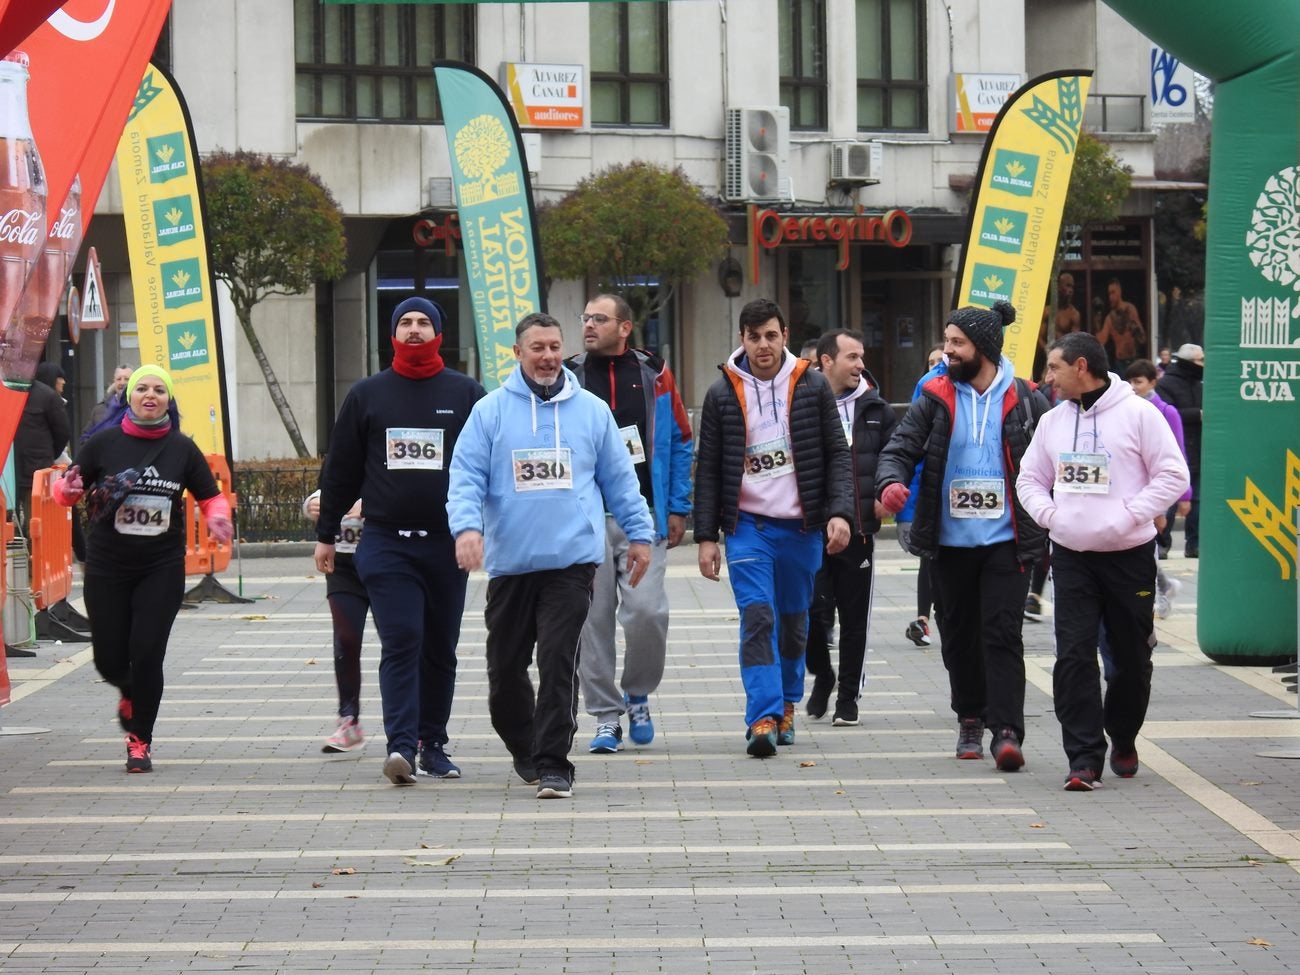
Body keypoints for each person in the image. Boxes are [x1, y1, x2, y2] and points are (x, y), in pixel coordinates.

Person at [447, 312, 653, 800]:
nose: (548, 356)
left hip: (572, 561)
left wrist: (640, 535)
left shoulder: (591, 411)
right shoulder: (491, 411)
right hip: (512, 563)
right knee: (504, 674)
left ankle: (555, 763)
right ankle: (527, 747)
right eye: (537, 348)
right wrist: (467, 529)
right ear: (518, 353)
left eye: (555, 347)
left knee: (559, 660)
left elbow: (620, 481)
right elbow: (465, 477)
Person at [314, 296, 485, 786]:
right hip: (386, 542)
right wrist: (327, 535)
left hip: (446, 543)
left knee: (441, 647)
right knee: (402, 638)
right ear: (392, 333)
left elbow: (485, 465)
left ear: (438, 334)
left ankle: (434, 744)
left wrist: (480, 529)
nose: (414, 329)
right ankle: (401, 747)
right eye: (405, 322)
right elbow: (341, 471)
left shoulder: (466, 392)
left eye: (423, 322)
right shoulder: (368, 395)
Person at [877, 301, 1049, 773]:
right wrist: (890, 483)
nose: (948, 351)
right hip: (949, 543)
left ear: (985, 348)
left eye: (957, 343)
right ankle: (970, 717)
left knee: (1002, 633)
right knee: (958, 637)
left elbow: (1054, 457)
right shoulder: (934, 395)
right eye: (947, 341)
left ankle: (1008, 730)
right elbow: (900, 447)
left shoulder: (1027, 397)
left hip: (1007, 540)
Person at [1016, 333, 1189, 791]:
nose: (1046, 378)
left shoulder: (1138, 414)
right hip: (1072, 557)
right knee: (1072, 656)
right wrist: (1051, 517)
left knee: (1131, 660)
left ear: (1080, 366)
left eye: (1053, 368)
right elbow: (1029, 479)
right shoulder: (1053, 421)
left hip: (1129, 557)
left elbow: (1174, 475)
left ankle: (1124, 734)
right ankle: (1084, 758)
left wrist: (1130, 515)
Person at [50, 365, 233, 772]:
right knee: (109, 660)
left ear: (169, 400)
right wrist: (68, 489)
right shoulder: (103, 443)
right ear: (128, 397)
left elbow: (209, 496)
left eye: (159, 390)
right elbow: (65, 491)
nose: (150, 396)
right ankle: (129, 689)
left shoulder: (182, 448)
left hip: (160, 566)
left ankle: (140, 740)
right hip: (107, 566)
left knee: (148, 653)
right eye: (142, 389)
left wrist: (218, 517)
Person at [693, 298, 854, 757]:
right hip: (748, 528)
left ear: (784, 335)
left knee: (793, 622)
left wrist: (839, 512)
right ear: (741, 340)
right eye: (753, 336)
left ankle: (786, 703)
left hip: (801, 528)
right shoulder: (722, 392)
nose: (762, 345)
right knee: (757, 615)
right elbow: (709, 471)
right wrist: (707, 537)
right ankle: (761, 716)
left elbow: (837, 455)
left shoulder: (812, 386)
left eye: (770, 335)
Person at [566, 293, 693, 753]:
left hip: (644, 517)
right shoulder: (570, 376)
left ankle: (637, 692)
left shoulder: (655, 375)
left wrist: (677, 506)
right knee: (591, 619)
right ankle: (605, 716)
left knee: (646, 612)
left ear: (625, 327)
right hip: (584, 519)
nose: (588, 326)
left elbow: (680, 440)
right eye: (585, 318)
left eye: (599, 319)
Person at [803, 329, 896, 725]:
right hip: (811, 529)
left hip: (858, 530)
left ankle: (847, 697)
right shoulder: (802, 403)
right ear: (827, 361)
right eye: (852, 357)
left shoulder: (876, 409)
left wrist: (885, 489)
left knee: (854, 619)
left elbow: (895, 456)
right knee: (808, 613)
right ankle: (822, 674)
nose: (861, 365)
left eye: (861, 357)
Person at [1125, 359, 1192, 617]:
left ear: (1153, 382)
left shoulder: (1167, 412)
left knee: (1148, 544)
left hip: (1160, 491)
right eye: (1130, 381)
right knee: (1145, 545)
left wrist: (1184, 496)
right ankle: (1164, 587)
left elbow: (1179, 455)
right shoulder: (1127, 410)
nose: (1134, 386)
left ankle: (1159, 591)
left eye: (1139, 381)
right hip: (1135, 490)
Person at [304, 489, 368, 752]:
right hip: (342, 567)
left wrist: (372, 504)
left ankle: (414, 728)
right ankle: (348, 721)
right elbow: (322, 490)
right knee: (346, 639)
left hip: (390, 562)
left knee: (402, 643)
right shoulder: (344, 457)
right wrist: (311, 504)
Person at [897, 343, 945, 647]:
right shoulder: (926, 391)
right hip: (930, 497)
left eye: (940, 361)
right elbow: (910, 458)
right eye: (931, 362)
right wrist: (906, 513)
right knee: (929, 559)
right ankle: (923, 620)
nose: (937, 366)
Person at [1156, 343, 1203, 558]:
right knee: (1171, 500)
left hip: (1200, 449)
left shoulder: (1202, 384)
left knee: (1197, 501)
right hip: (1177, 448)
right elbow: (1169, 415)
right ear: (1187, 362)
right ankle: (1163, 543)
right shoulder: (1166, 384)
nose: (1203, 365)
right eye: (1199, 361)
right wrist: (1199, 414)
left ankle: (1194, 544)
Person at [13, 361, 70, 533]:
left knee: (36, 524)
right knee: (9, 524)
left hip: (35, 472)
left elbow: (62, 432)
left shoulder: (47, 396)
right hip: (8, 473)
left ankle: (34, 558)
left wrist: (47, 455)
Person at [1094, 278, 1146, 373]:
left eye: (1113, 292)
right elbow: (1101, 341)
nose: (1111, 297)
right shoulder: (1109, 318)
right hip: (1120, 363)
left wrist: (1136, 330)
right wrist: (1097, 323)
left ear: (1119, 292)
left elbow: (1142, 338)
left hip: (1133, 361)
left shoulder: (1130, 309)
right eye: (1109, 293)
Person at [83, 364, 133, 435]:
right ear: (114, 381)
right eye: (119, 379)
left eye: (126, 379)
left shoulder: (138, 409)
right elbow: (86, 436)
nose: (122, 383)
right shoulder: (99, 409)